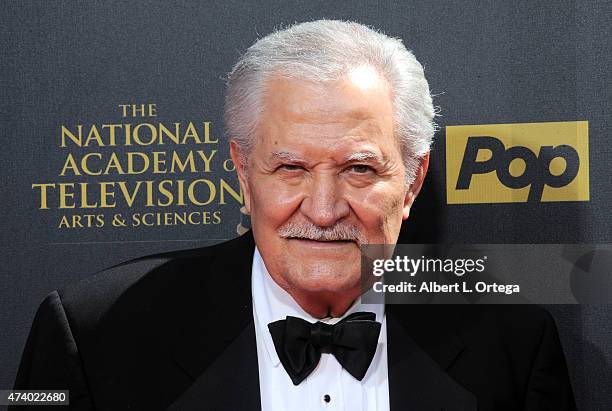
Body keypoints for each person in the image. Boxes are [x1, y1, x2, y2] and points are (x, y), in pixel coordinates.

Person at [12, 20, 575, 410]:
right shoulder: (94, 335)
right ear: (241, 170)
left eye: (358, 169)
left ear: (412, 181)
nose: (325, 210)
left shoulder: (513, 344)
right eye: (290, 168)